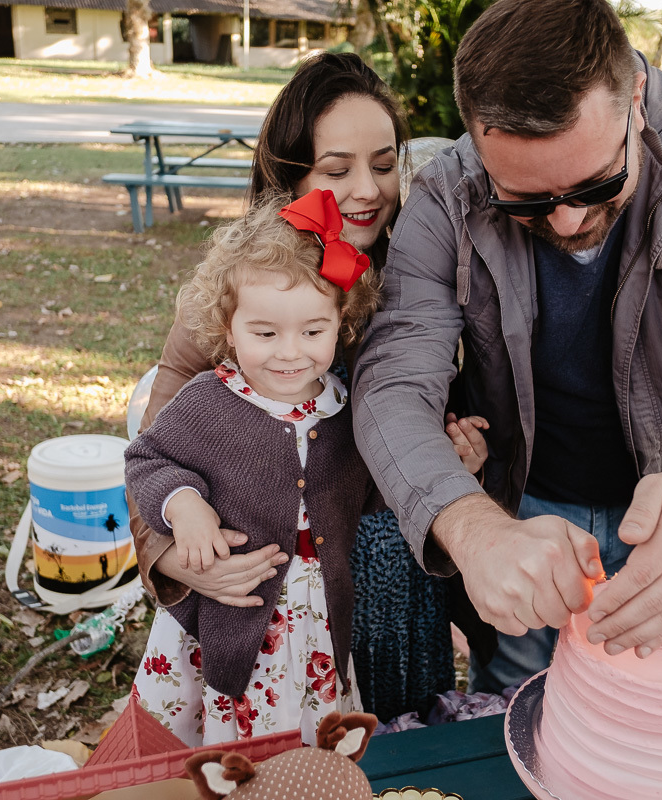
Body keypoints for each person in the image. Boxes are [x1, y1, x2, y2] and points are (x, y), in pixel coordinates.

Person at [351, 0, 662, 694]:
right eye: (525, 201)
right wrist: (472, 529)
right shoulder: (448, 192)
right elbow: (393, 376)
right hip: (523, 510)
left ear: (636, 97)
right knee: (519, 705)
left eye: (595, 183)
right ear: (477, 143)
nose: (566, 220)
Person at [128, 52, 462, 723]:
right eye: (337, 170)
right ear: (290, 175)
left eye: (385, 163)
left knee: (383, 748)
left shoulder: (423, 271)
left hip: (391, 585)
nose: (368, 189)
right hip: (267, 591)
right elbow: (158, 443)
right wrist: (178, 560)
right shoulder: (246, 284)